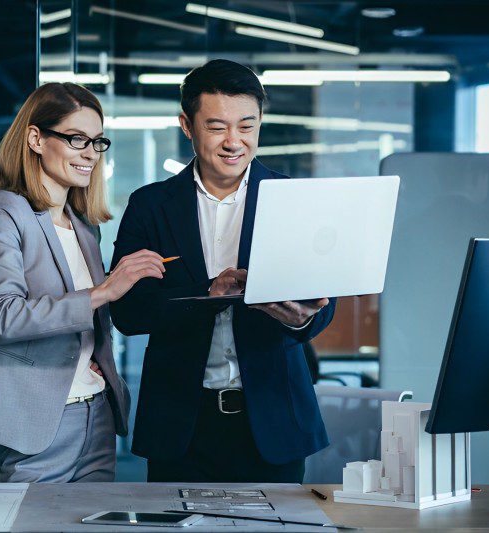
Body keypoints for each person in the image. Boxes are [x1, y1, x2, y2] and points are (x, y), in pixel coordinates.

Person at [109, 59, 337, 483]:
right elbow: (127, 313)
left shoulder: (293, 198)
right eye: (217, 128)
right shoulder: (150, 205)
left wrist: (303, 318)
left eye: (246, 126)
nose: (234, 142)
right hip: (181, 424)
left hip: (273, 421)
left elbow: (325, 307)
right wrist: (207, 294)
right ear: (187, 125)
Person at [0, 82, 165, 483]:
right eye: (76, 139)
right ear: (36, 138)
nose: (90, 153)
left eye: (97, 142)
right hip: (32, 425)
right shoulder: (1, 212)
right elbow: (1, 318)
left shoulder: (84, 226)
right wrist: (102, 291)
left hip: (95, 417)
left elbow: (80, 325)